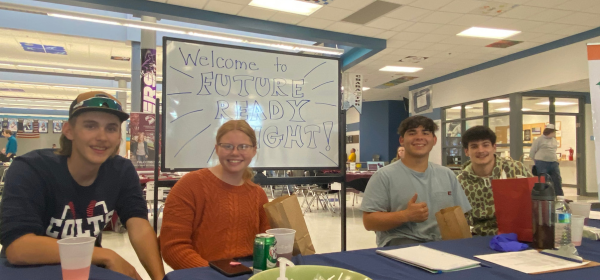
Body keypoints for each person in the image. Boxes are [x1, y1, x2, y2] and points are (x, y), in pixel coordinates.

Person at [0, 91, 165, 280]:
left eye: (111, 128)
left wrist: (159, 278)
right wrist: (105, 255)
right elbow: (18, 247)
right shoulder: (31, 169)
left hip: (84, 270)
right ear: (69, 130)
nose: (102, 137)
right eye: (90, 126)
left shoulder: (121, 170)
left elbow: (139, 225)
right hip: (28, 271)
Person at [160, 120, 270, 269]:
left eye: (243, 146)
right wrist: (213, 275)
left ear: (254, 150)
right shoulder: (190, 186)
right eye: (227, 146)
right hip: (204, 274)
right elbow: (173, 248)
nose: (235, 152)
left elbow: (267, 246)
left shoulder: (258, 194)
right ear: (217, 149)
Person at [361, 116, 471, 247]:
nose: (419, 137)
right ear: (401, 140)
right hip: (402, 241)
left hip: (443, 242)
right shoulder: (383, 176)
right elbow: (369, 222)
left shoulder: (447, 175)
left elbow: (461, 215)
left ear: (434, 140)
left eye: (425, 133)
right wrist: (405, 215)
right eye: (412, 133)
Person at [457, 126, 533, 236]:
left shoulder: (515, 169)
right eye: (474, 146)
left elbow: (535, 200)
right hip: (478, 238)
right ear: (466, 151)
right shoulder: (460, 182)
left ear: (494, 147)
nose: (481, 150)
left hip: (516, 235)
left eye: (485, 145)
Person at [530, 124, 562, 195]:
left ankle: (559, 195)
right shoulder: (539, 140)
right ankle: (544, 195)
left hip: (553, 162)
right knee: (543, 180)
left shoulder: (554, 140)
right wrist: (536, 160)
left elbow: (554, 150)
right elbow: (532, 151)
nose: (554, 134)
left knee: (557, 179)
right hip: (542, 162)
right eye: (553, 132)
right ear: (549, 132)